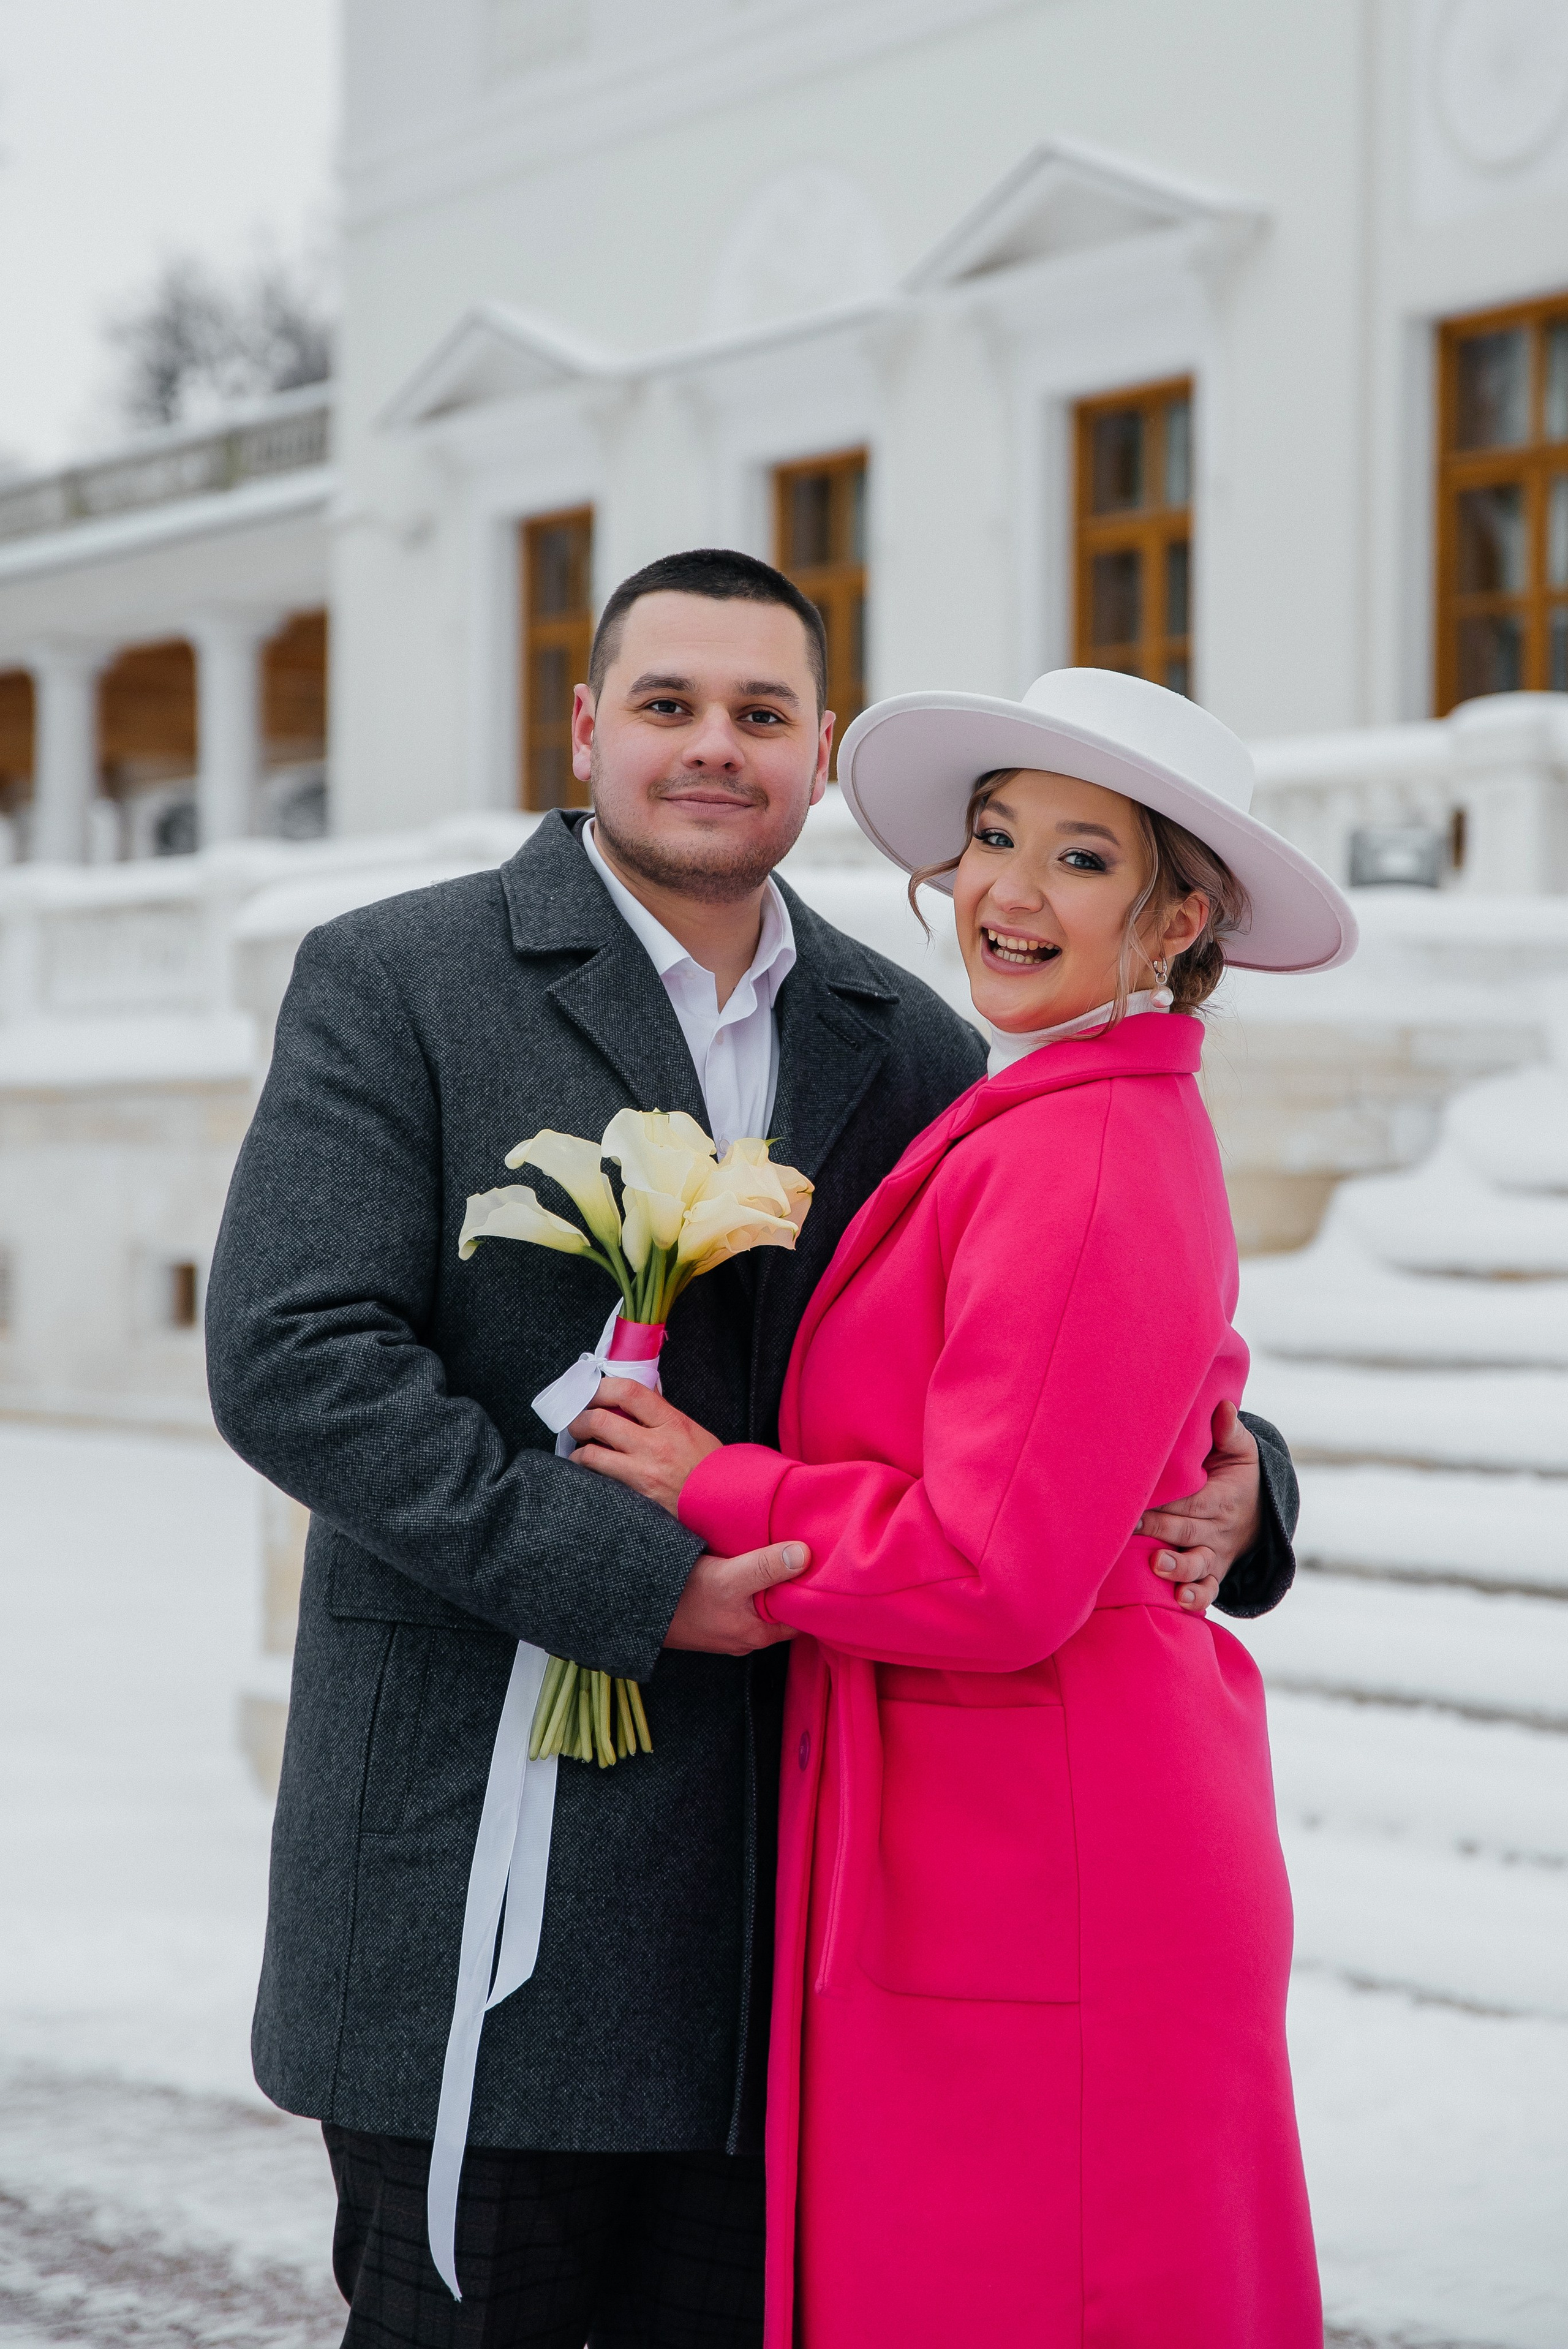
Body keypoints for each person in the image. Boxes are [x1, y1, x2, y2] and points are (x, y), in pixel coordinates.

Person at [205, 562, 1300, 2349]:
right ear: (588, 728)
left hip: (777, 1932)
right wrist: (643, 1580)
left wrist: (1243, 1477)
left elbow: (1055, 1338)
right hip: (477, 1876)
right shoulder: (397, 976)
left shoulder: (914, 1038)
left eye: (762, 714)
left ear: (818, 752)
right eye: (669, 704)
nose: (714, 745)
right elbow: (293, 1359)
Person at [567, 666, 1354, 2348]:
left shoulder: (1086, 1148)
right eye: (996, 836)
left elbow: (994, 1569)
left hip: (1046, 1852)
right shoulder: (1039, 1108)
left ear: (1179, 919)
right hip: (1005, 1827)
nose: (1009, 888)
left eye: (1082, 858)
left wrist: (713, 1478)